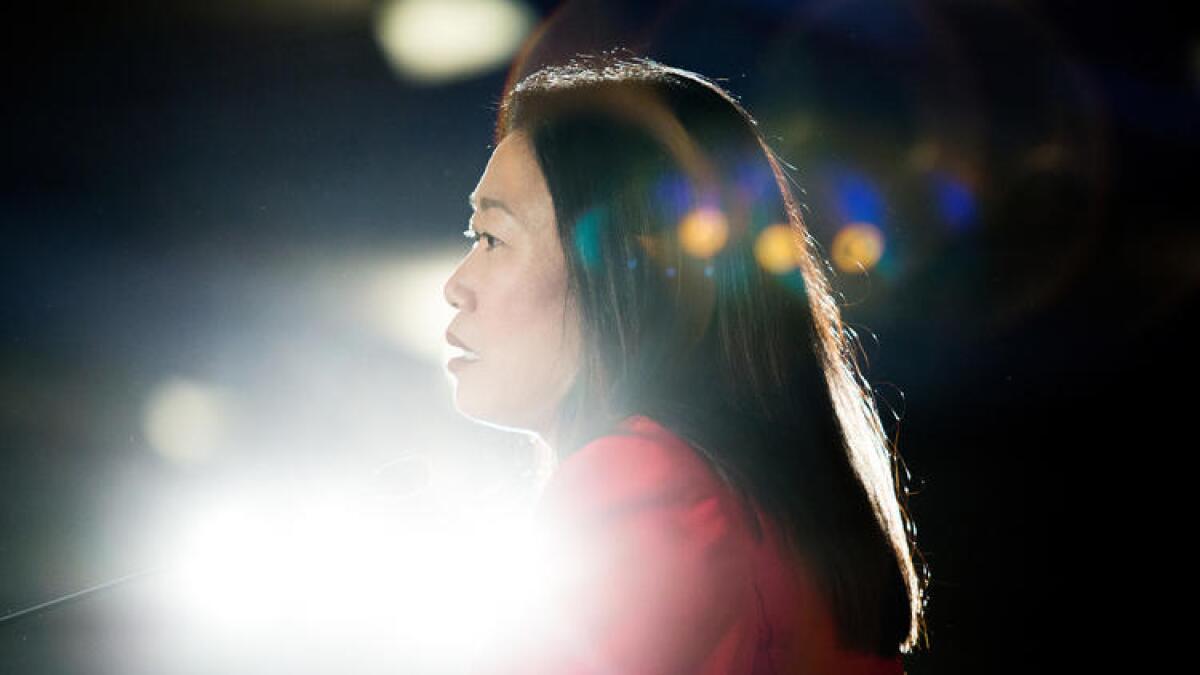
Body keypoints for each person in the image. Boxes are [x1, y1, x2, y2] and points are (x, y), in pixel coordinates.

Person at [441, 52, 927, 675]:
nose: (458, 285)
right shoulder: (768, 513)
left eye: (491, 238)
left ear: (618, 266)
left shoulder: (639, 487)